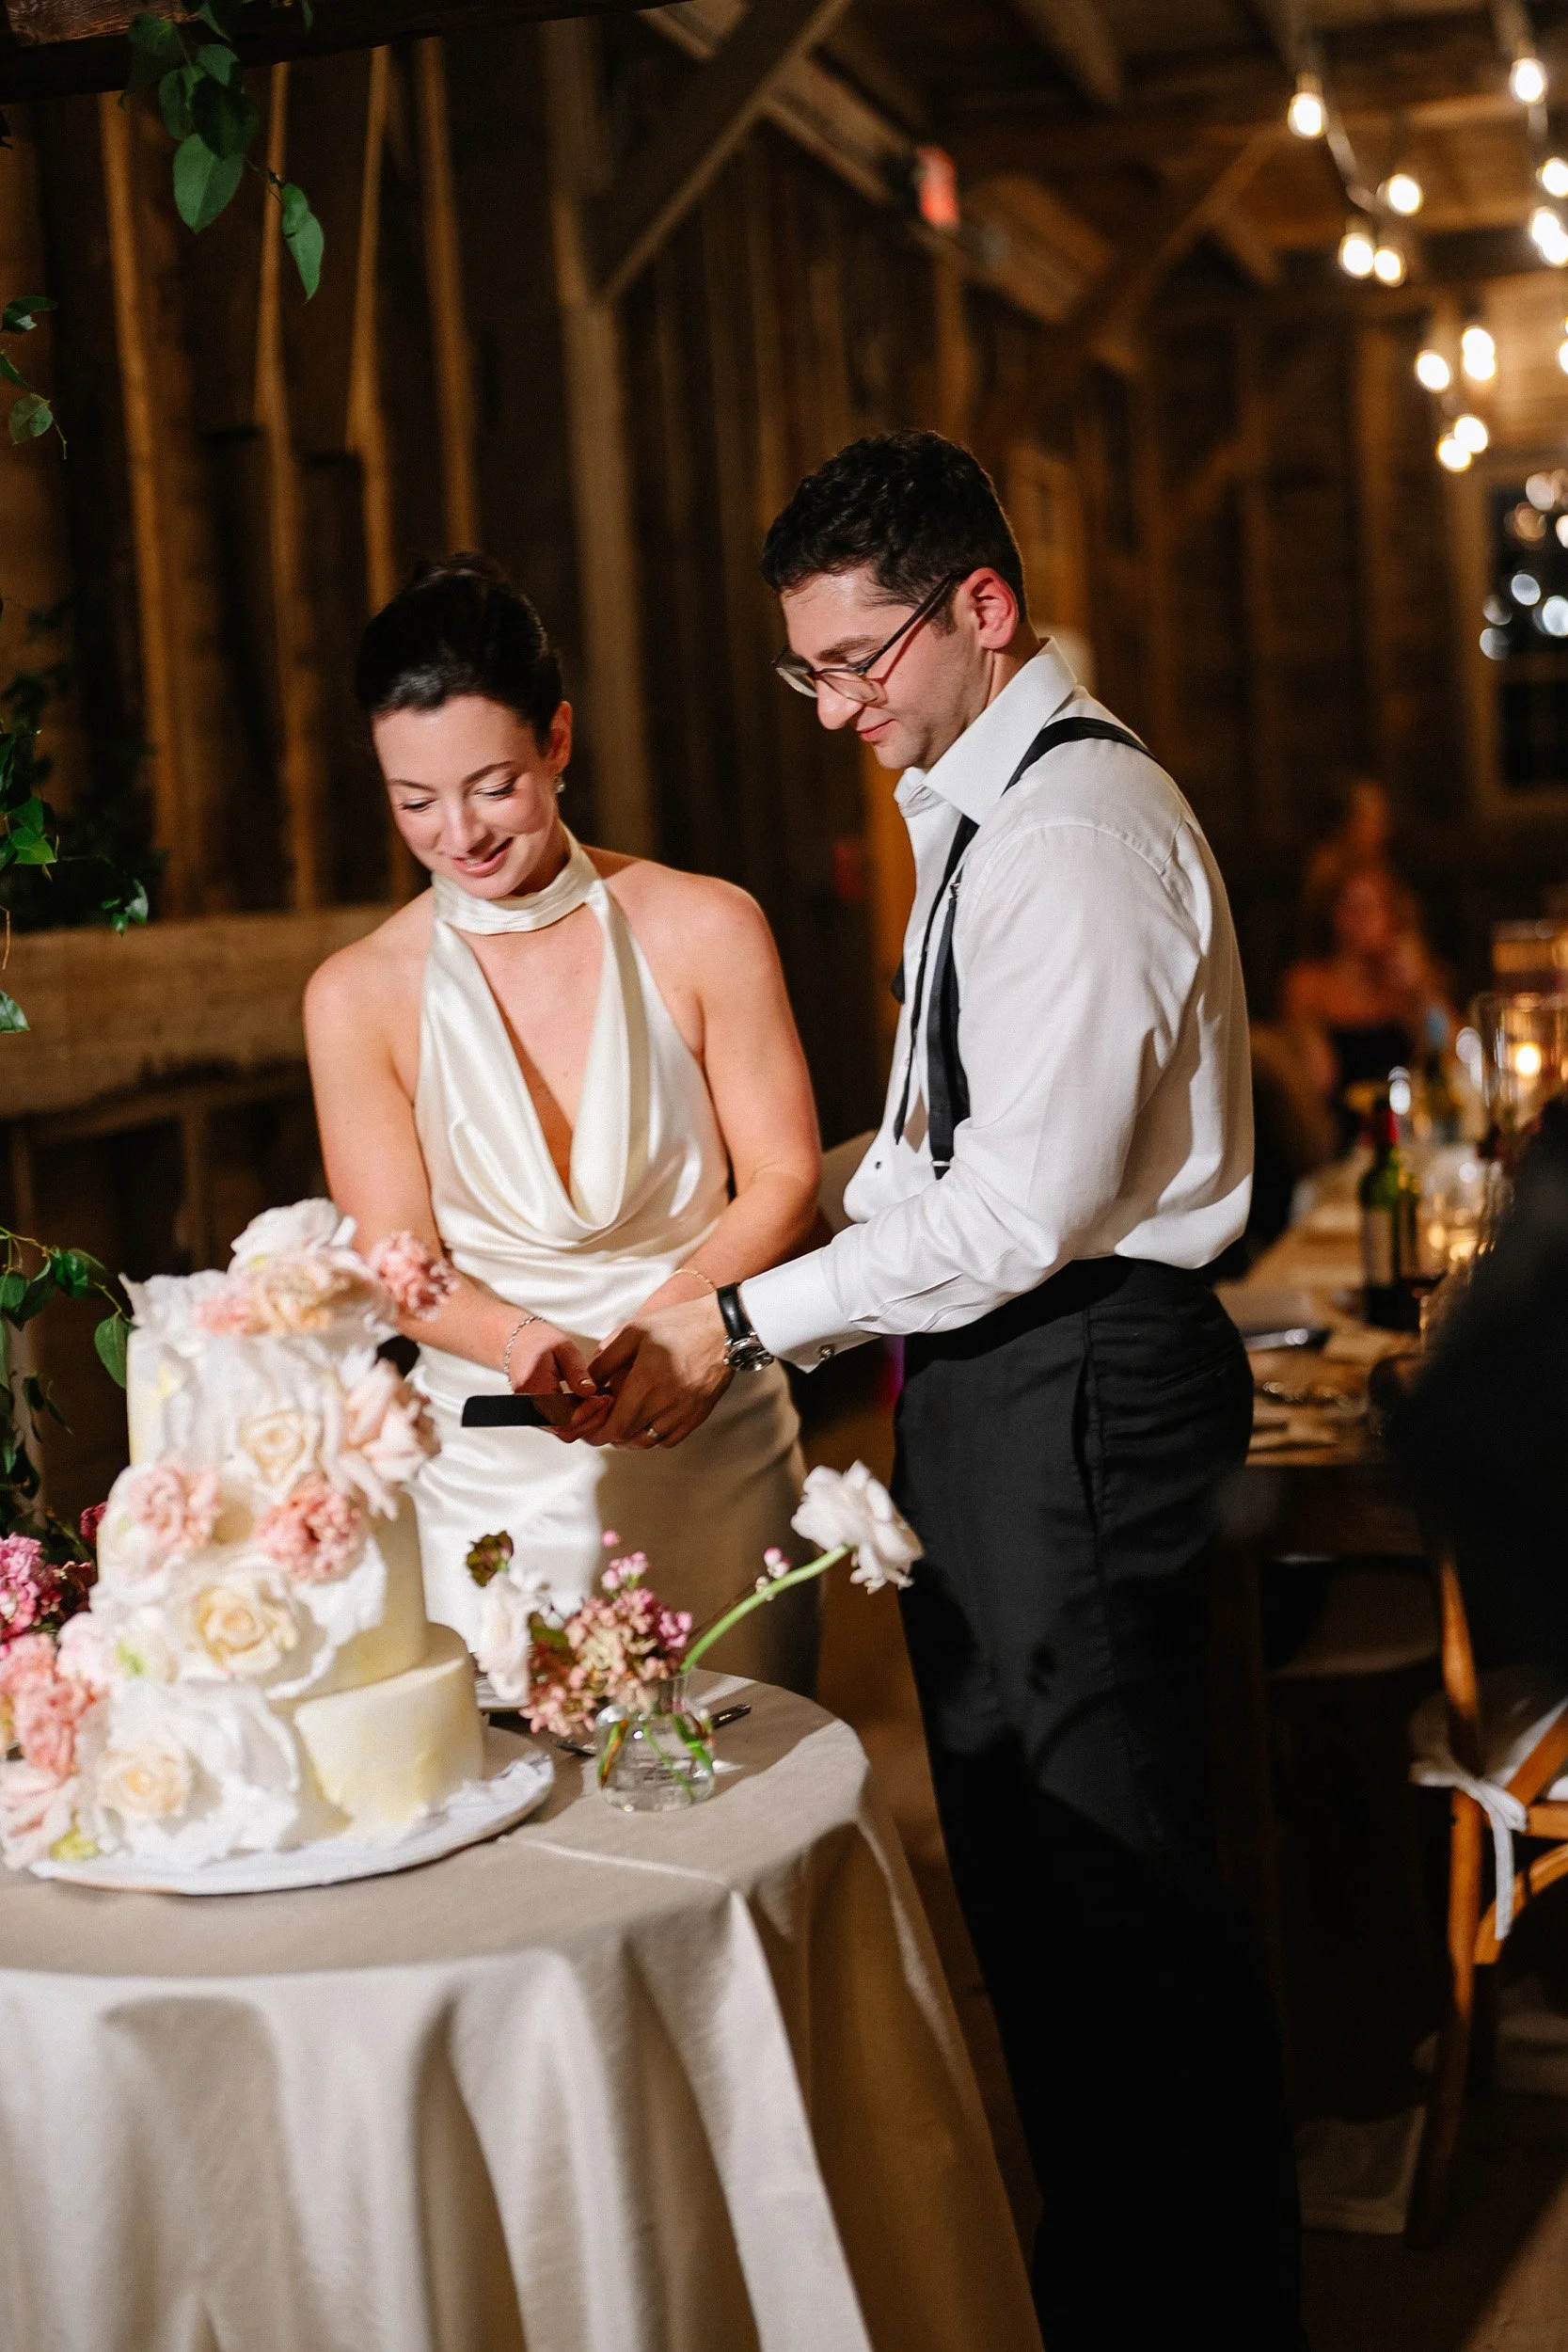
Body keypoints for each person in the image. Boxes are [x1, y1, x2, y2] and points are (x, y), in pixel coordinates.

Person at [580, 434, 1300, 2345]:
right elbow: (929, 1155)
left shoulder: (1066, 832)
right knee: (1033, 1893)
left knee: (1122, 1902)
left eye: (856, 660)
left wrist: (743, 1327)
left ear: (978, 608)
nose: (833, 708)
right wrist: (736, 1247)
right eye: (803, 669)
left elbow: (1021, 1208)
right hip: (998, 1381)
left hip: (1075, 1373)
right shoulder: (968, 794)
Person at [303, 555, 822, 1690]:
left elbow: (782, 1173)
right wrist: (515, 1343)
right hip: (491, 1470)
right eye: (414, 800)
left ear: (558, 741)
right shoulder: (357, 994)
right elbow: (398, 1261)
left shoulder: (705, 926)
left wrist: (685, 1325)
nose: (458, 833)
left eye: (492, 784)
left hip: (710, 1440)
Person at [1283, 859, 1453, 1149]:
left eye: (1373, 907)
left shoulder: (1405, 982)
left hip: (1410, 1136)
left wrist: (1422, 993)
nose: (1363, 920)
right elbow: (1317, 1082)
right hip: (1340, 1142)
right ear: (1332, 914)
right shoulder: (1309, 984)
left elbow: (1447, 1052)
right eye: (1351, 908)